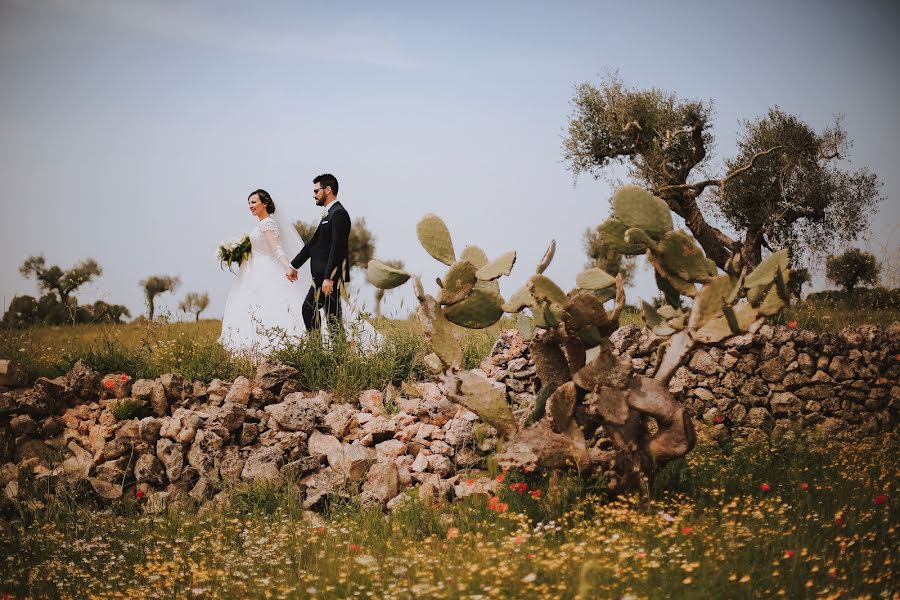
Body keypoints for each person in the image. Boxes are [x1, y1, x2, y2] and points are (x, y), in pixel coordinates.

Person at [219, 189, 309, 355]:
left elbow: (277, 249)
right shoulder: (260, 224)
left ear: (265, 203)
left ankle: (275, 348)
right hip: (252, 272)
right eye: (249, 203)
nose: (250, 206)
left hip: (265, 271)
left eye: (254, 202)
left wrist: (288, 266)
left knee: (269, 306)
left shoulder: (268, 223)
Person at [289, 174, 351, 339]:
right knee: (332, 317)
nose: (314, 194)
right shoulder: (329, 214)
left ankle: (316, 349)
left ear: (328, 190)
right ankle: (335, 353)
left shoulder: (339, 214)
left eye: (317, 190)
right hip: (322, 277)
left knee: (310, 309)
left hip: (327, 277)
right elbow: (313, 244)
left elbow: (337, 248)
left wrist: (329, 277)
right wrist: (294, 265)